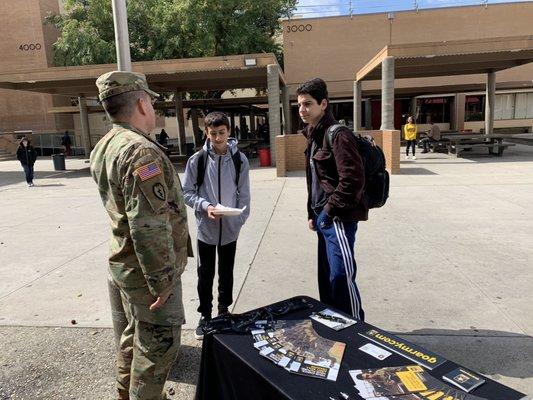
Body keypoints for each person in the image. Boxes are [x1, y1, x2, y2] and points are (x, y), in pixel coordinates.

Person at [90, 71, 192, 400]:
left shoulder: (105, 145)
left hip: (126, 266)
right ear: (141, 103)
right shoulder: (140, 152)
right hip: (147, 275)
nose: (153, 107)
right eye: (151, 100)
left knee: (134, 338)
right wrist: (161, 281)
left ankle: (126, 392)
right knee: (157, 348)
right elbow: (147, 224)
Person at [297, 78, 367, 321]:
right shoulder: (313, 135)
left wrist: (327, 212)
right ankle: (333, 323)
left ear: (323, 104)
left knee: (341, 277)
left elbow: (353, 180)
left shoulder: (338, 135)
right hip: (322, 217)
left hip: (338, 217)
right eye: (299, 105)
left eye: (307, 104)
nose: (302, 110)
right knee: (326, 278)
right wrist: (311, 213)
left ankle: (356, 328)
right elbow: (314, 180)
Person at [182, 111, 251, 340]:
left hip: (230, 230)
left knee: (226, 272)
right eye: (213, 134)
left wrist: (238, 220)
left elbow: (244, 197)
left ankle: (223, 311)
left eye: (222, 133)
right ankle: (205, 315)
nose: (218, 138)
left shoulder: (240, 160)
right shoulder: (197, 160)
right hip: (206, 230)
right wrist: (205, 206)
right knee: (205, 274)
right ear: (206, 133)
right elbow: (187, 193)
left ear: (229, 132)